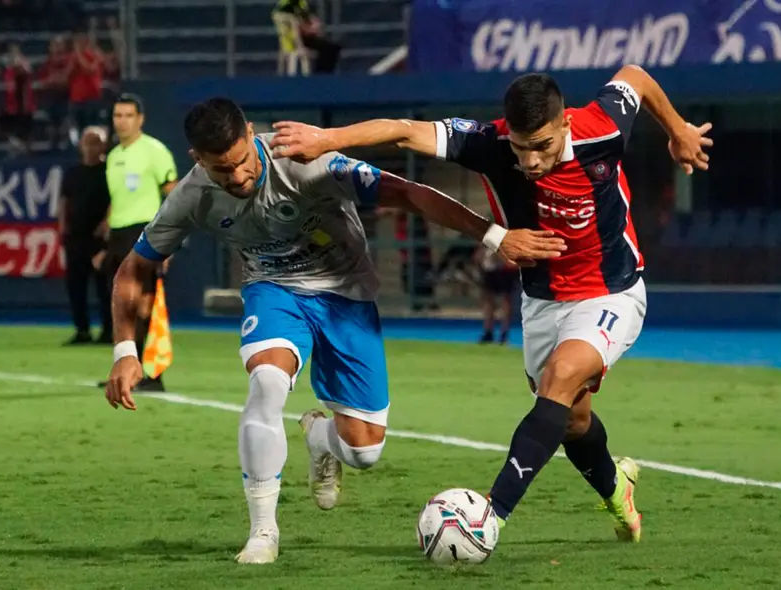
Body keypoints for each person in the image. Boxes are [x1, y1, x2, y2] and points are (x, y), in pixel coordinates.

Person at [103, 97, 566, 564]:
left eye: (243, 161)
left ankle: (319, 438)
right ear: (198, 160)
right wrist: (125, 349)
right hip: (273, 290)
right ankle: (263, 532)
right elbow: (133, 268)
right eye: (223, 171)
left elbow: (406, 192)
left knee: (365, 451)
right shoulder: (191, 194)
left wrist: (495, 236)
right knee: (266, 383)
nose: (239, 177)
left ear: (250, 135)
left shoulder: (308, 163)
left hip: (346, 294)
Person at [268, 64, 713, 544]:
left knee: (560, 379)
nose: (532, 161)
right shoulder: (488, 143)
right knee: (572, 418)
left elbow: (636, 77)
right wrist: (327, 138)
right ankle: (615, 488)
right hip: (542, 301)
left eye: (542, 146)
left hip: (612, 290)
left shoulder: (600, 126)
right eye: (522, 148)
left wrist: (678, 130)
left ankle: (489, 517)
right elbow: (402, 132)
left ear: (565, 124)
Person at [104, 93, 178, 392]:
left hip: (146, 233)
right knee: (122, 304)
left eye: (127, 115)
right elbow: (117, 200)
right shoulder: (113, 156)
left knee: (145, 304)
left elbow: (173, 194)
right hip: (119, 233)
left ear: (140, 119)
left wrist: (168, 241)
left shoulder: (154, 151)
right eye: (117, 116)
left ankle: (152, 374)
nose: (122, 121)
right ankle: (127, 369)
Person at [59, 126, 112, 345]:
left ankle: (108, 331)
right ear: (81, 145)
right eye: (87, 142)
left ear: (104, 145)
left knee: (104, 287)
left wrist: (107, 222)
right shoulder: (72, 173)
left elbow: (117, 198)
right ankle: (82, 330)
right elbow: (64, 200)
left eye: (96, 142)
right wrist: (62, 226)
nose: (91, 147)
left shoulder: (110, 171)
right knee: (75, 286)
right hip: (76, 236)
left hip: (100, 239)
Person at [477, 244, 517, 344]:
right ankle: (488, 331)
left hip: (505, 265)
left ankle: (503, 332)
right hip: (491, 266)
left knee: (505, 300)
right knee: (489, 299)